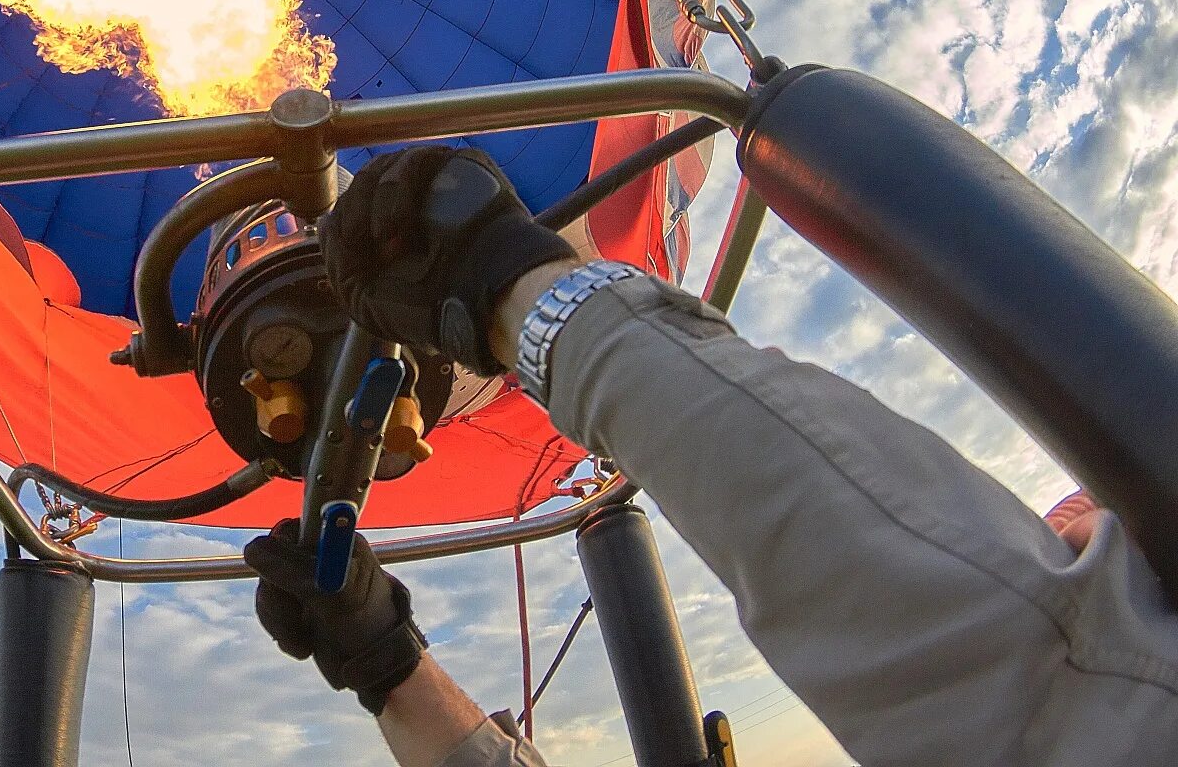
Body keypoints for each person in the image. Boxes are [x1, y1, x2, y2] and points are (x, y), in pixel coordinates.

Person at [244, 147, 1178, 766]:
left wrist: (511, 292)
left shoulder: (1114, 695)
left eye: (1094, 527)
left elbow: (1035, 669)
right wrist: (390, 669)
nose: (1058, 517)